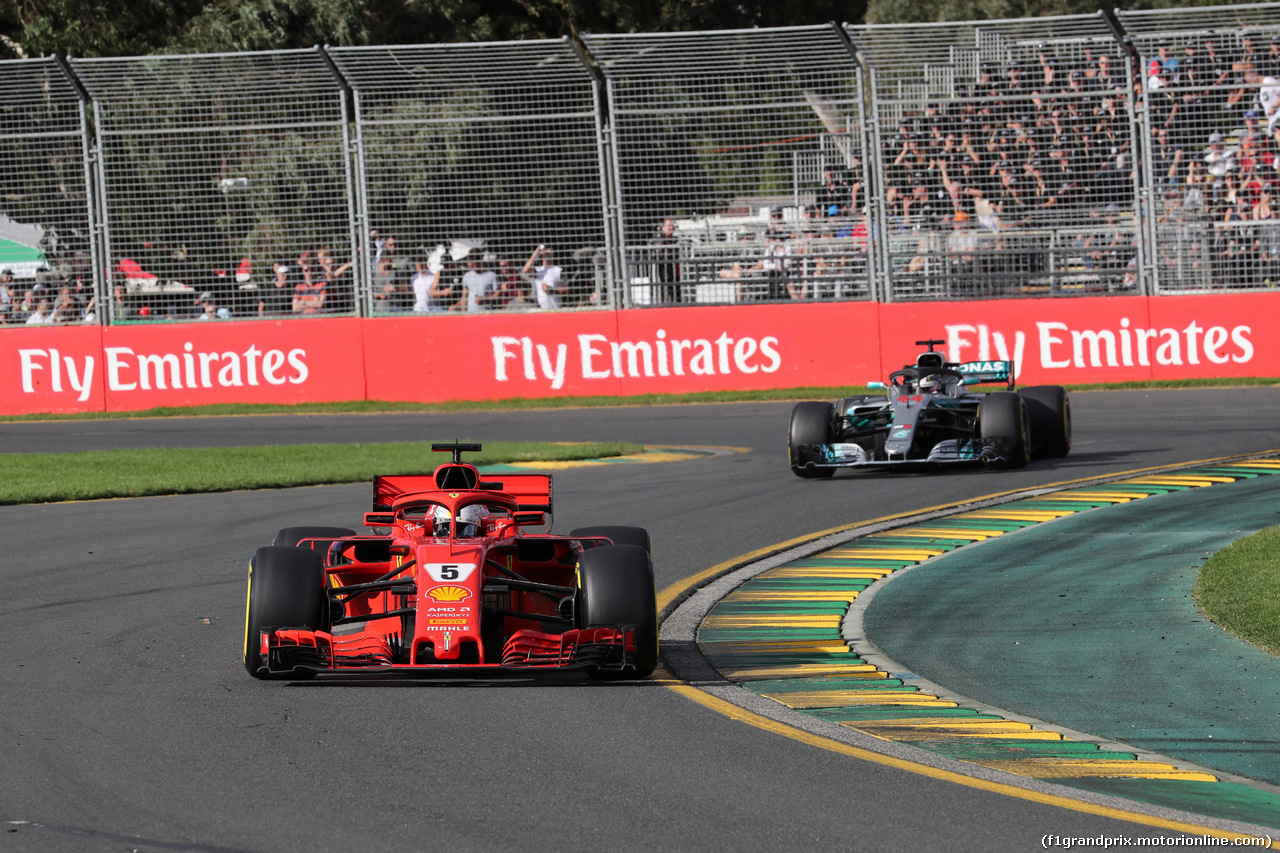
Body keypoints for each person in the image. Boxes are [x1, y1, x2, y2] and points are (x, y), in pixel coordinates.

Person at [524, 244, 566, 310]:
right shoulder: (538, 270)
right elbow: (525, 270)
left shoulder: (558, 270)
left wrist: (551, 289)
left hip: (555, 309)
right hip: (540, 310)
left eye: (549, 254)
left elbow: (567, 289)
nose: (547, 256)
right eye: (545, 254)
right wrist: (537, 251)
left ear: (553, 256)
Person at [653, 217, 680, 304]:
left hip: (677, 271)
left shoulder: (676, 240)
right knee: (667, 290)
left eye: (671, 226)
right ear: (663, 227)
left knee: (677, 291)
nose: (670, 228)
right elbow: (659, 254)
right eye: (668, 226)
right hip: (665, 270)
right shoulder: (660, 240)